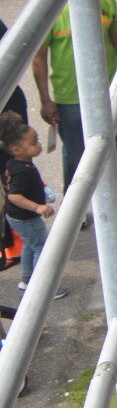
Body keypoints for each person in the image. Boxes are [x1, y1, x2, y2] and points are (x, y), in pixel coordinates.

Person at [31, 0, 117, 224]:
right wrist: (45, 100)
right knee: (76, 155)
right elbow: (39, 57)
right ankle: (75, 212)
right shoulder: (53, 9)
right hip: (70, 98)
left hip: (110, 91)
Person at [2, 113, 56, 292]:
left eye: (37, 140)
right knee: (41, 247)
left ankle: (27, 279)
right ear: (17, 150)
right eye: (33, 143)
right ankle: (42, 288)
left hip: (16, 216)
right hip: (26, 218)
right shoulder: (24, 171)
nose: (39, 145)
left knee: (30, 245)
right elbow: (14, 196)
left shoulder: (14, 163)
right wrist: (38, 207)